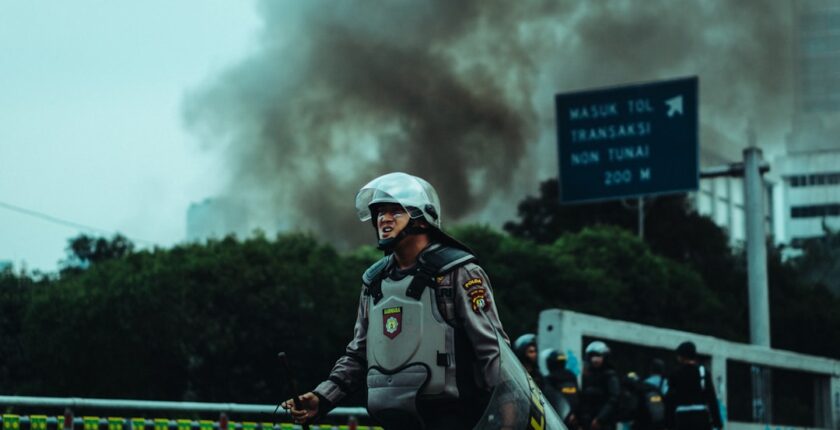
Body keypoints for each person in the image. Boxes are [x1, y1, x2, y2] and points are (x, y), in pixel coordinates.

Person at [282, 172, 510, 430]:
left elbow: (493, 351)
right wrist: (322, 398)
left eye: (395, 211)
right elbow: (358, 355)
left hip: (454, 419)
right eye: (380, 212)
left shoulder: (458, 272)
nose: (384, 219)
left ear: (422, 220)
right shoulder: (374, 281)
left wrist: (508, 411)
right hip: (395, 421)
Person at [665, 341, 723, 430]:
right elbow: (711, 398)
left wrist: (669, 424)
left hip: (682, 419)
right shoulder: (703, 372)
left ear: (681, 356)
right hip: (701, 418)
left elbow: (670, 401)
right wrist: (717, 423)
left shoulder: (675, 374)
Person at [579, 341, 620, 430]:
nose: (595, 359)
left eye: (598, 356)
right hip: (588, 422)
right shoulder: (589, 375)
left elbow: (613, 399)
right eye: (592, 356)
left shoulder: (610, 376)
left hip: (603, 424)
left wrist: (600, 419)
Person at [543, 349, 581, 429]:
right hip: (574, 419)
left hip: (556, 419)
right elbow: (578, 397)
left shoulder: (549, 379)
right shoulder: (572, 377)